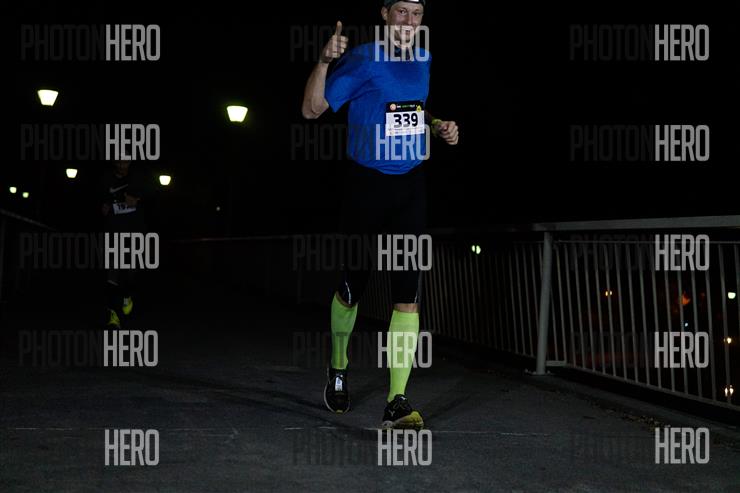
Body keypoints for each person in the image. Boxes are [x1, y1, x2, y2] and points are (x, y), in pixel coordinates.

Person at [301, 0, 459, 429]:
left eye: (417, 14)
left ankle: (397, 402)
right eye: (401, 12)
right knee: (353, 287)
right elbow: (311, 109)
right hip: (366, 186)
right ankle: (338, 367)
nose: (410, 21)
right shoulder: (363, 59)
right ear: (385, 14)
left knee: (408, 294)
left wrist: (436, 124)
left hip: (410, 187)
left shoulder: (424, 58)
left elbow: (411, 106)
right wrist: (323, 62)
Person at [100, 160, 146, 328]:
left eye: (126, 162)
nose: (122, 165)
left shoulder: (136, 178)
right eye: (120, 162)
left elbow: (137, 201)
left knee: (130, 272)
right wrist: (104, 207)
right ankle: (113, 315)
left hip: (133, 232)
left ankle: (127, 295)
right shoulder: (106, 180)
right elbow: (103, 206)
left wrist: (132, 199)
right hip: (114, 233)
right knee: (112, 274)